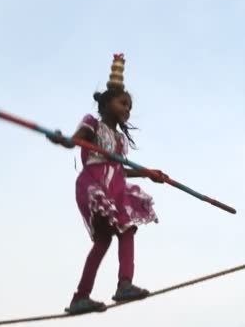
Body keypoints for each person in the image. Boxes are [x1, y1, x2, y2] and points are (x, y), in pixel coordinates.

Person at [49, 53, 167, 315]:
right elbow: (74, 142)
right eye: (123, 103)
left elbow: (119, 170)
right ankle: (103, 290)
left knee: (115, 236)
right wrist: (62, 140)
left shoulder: (119, 140)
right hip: (94, 185)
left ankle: (102, 290)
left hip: (115, 188)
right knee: (114, 234)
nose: (127, 109)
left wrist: (147, 173)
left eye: (129, 107)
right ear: (107, 103)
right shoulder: (92, 124)